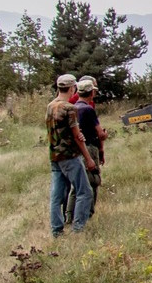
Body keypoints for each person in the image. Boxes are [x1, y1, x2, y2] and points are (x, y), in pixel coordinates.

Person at [46, 73, 96, 235]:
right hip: (69, 155)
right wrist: (88, 158)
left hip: (54, 155)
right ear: (72, 88)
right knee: (84, 191)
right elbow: (76, 136)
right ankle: (78, 228)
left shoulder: (50, 106)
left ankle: (57, 230)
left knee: (57, 196)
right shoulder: (69, 108)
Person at [75, 75, 107, 209]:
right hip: (90, 147)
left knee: (77, 184)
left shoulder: (73, 107)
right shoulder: (88, 109)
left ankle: (71, 214)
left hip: (77, 148)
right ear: (92, 92)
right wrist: (104, 135)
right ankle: (89, 210)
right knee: (93, 180)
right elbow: (100, 133)